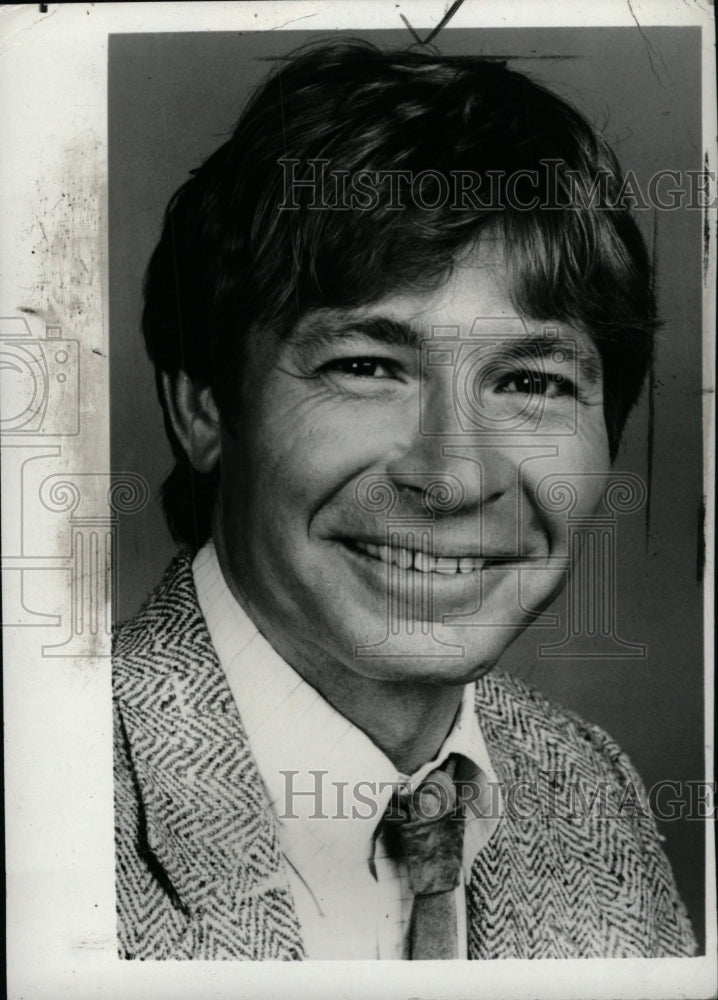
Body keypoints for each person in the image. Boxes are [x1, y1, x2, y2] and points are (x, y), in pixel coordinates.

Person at [113, 39, 696, 960]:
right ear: (203, 409)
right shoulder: (59, 791)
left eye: (532, 383)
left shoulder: (591, 791)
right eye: (367, 367)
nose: (454, 475)